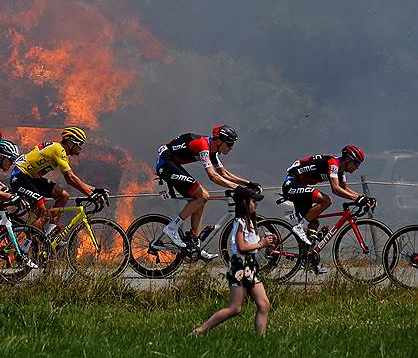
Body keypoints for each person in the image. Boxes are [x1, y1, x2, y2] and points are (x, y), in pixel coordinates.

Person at [157, 125, 255, 259]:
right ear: (219, 141)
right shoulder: (203, 146)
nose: (231, 148)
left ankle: (194, 244)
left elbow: (223, 173)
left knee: (201, 199)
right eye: (230, 144)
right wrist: (237, 188)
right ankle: (172, 228)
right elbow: (213, 176)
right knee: (202, 196)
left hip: (173, 163)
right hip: (165, 163)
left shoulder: (213, 150)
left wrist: (248, 183)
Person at [194, 186, 274, 336]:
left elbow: (252, 246)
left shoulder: (251, 223)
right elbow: (242, 246)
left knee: (264, 305)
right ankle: (201, 330)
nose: (256, 204)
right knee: (235, 308)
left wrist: (266, 243)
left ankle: (261, 338)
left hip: (250, 265)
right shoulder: (240, 222)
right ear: (244, 203)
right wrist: (261, 244)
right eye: (253, 201)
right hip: (239, 265)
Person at [282, 145, 371, 269]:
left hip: (300, 185)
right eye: (356, 164)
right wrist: (357, 198)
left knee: (314, 223)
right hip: (292, 183)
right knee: (326, 200)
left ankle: (308, 258)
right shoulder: (334, 163)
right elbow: (336, 189)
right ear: (349, 159)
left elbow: (344, 188)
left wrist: (362, 197)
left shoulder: (341, 170)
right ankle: (299, 227)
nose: (357, 168)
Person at [10, 126, 107, 236]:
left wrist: (95, 190)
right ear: (70, 143)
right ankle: (30, 246)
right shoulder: (58, 149)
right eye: (79, 144)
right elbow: (71, 178)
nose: (81, 148)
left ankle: (49, 235)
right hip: (20, 177)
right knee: (43, 210)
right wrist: (91, 194)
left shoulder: (60, 151)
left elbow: (71, 180)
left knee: (63, 196)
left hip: (31, 178)